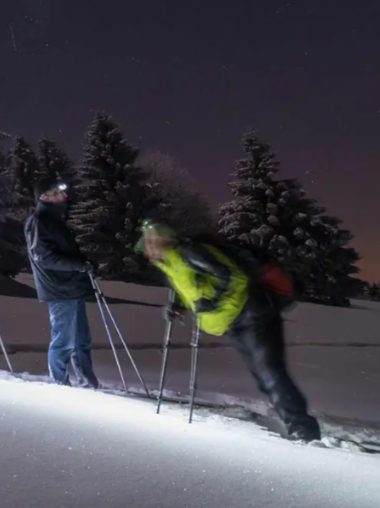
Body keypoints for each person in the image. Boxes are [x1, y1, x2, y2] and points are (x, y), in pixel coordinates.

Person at [139, 222, 321, 442]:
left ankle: (304, 432)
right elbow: (193, 287)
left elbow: (234, 277)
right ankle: (298, 425)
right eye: (147, 241)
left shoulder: (189, 252)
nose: (149, 246)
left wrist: (214, 301)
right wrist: (178, 305)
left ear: (166, 238)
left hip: (253, 315)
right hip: (235, 321)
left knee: (271, 375)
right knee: (265, 378)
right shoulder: (171, 263)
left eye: (153, 239)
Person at [24, 182, 99, 387]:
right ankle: (59, 383)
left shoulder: (54, 220)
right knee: (64, 340)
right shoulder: (40, 221)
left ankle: (88, 383)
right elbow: (44, 257)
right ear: (45, 197)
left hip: (71, 287)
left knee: (81, 340)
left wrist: (83, 263)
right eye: (57, 193)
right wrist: (78, 265)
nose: (64, 196)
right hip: (59, 289)